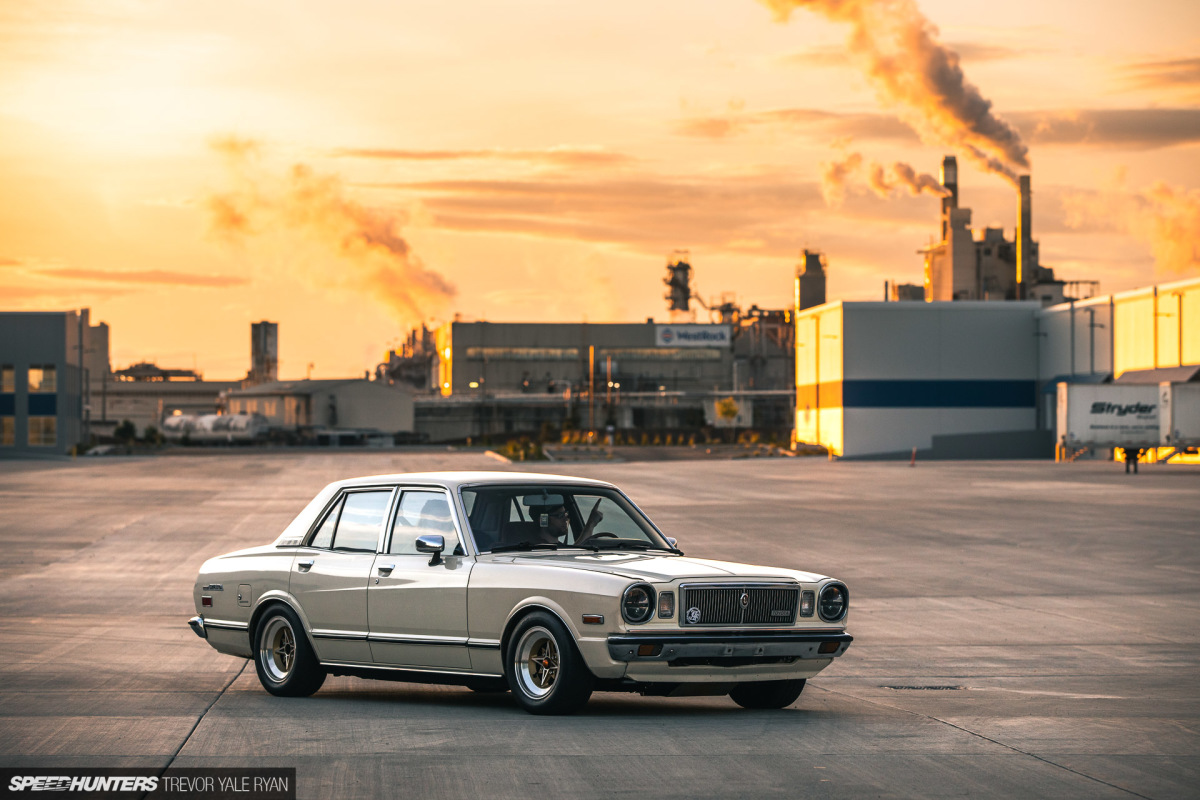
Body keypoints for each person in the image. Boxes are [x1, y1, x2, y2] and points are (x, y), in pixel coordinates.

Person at [529, 498, 604, 545]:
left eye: (565, 514)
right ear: (543, 520)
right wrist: (591, 524)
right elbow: (573, 556)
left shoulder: (560, 547)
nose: (565, 519)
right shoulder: (537, 548)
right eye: (560, 515)